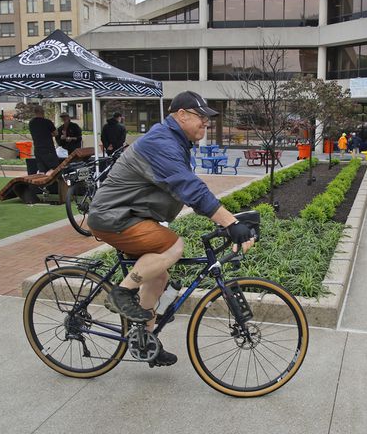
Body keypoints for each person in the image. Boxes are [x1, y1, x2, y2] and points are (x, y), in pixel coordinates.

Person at [86, 91, 256, 367]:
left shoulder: (175, 142)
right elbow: (189, 186)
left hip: (132, 216)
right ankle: (121, 292)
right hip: (113, 217)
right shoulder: (162, 142)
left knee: (158, 276)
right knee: (173, 246)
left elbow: (189, 189)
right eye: (201, 117)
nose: (206, 123)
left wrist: (225, 220)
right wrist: (230, 223)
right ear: (182, 115)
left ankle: (145, 341)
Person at [28, 105, 59, 176]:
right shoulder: (47, 122)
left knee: (41, 170)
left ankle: (41, 185)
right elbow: (56, 133)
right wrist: (49, 135)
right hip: (48, 149)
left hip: (37, 150)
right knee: (55, 168)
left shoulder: (31, 123)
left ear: (34, 112)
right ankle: (50, 183)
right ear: (42, 112)